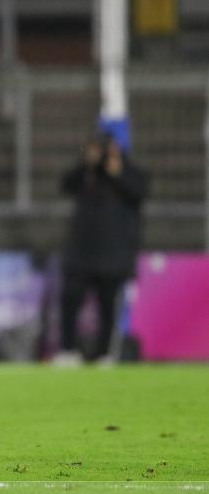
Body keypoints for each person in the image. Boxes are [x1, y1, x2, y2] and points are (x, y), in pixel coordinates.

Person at [55, 134, 148, 366]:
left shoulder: (128, 172)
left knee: (108, 307)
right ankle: (68, 350)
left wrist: (117, 172)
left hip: (113, 256)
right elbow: (66, 184)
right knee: (70, 301)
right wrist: (88, 164)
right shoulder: (88, 173)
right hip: (81, 254)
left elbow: (140, 192)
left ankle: (105, 353)